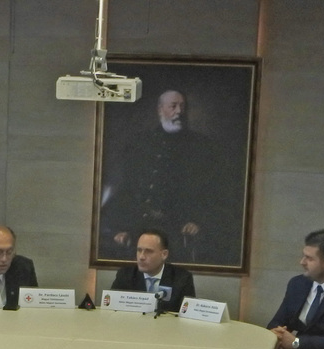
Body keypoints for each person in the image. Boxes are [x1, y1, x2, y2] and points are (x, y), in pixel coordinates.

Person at [98, 89, 241, 265]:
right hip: (139, 226)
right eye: (173, 106)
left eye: (182, 106)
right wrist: (120, 228)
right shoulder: (141, 143)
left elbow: (214, 192)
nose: (179, 111)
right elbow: (126, 188)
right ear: (160, 110)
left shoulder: (202, 147)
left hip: (179, 229)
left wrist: (199, 222)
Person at [107, 228, 197, 305]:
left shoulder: (182, 278)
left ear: (164, 254)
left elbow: (186, 314)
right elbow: (111, 307)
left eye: (148, 251)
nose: (141, 257)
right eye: (139, 250)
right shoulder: (125, 275)